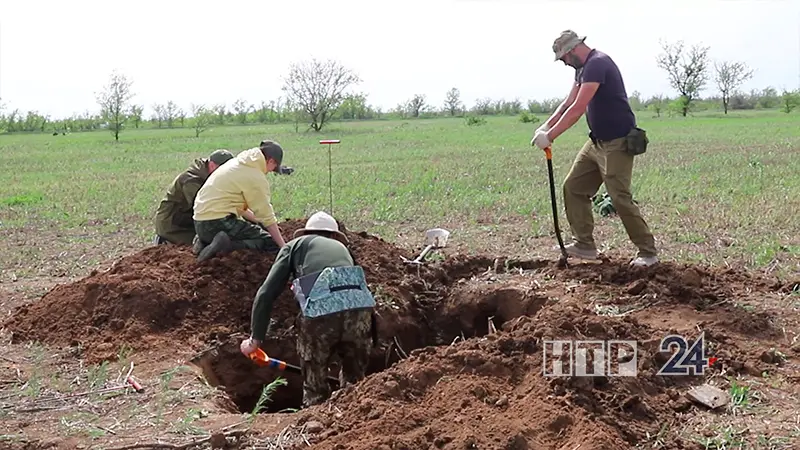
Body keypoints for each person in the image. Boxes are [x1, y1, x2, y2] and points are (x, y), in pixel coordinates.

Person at [530, 30, 658, 267]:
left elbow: (578, 108)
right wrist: (546, 125)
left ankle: (648, 252)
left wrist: (551, 137)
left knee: (619, 197)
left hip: (618, 142)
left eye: (565, 58)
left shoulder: (598, 64)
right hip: (596, 142)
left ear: (572, 50)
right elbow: (568, 102)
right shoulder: (582, 68)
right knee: (574, 188)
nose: (565, 64)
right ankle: (585, 246)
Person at [239, 211, 377, 407]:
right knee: (354, 384)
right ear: (335, 236)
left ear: (305, 233)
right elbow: (355, 287)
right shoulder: (343, 249)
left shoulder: (294, 246)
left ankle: (316, 420)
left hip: (321, 312)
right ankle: (354, 419)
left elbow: (266, 294)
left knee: (315, 387)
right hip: (361, 311)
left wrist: (255, 340)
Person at [192, 139, 288, 261]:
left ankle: (204, 242)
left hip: (200, 222)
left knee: (247, 231)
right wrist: (283, 246)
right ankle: (225, 247)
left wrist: (261, 223)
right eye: (273, 168)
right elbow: (266, 215)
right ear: (271, 161)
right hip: (218, 222)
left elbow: (241, 209)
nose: (270, 171)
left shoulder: (236, 163)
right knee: (269, 242)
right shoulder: (255, 176)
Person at [153, 149, 234, 252]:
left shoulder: (210, 175)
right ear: (213, 166)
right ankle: (164, 242)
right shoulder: (192, 181)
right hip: (173, 225)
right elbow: (204, 207)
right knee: (207, 244)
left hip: (188, 220)